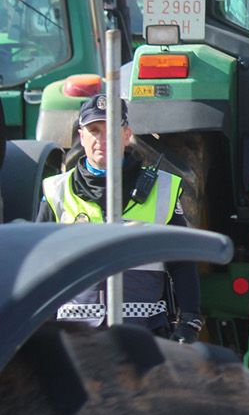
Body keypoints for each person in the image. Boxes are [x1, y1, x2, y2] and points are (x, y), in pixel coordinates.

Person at [37, 97, 202, 342]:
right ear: (81, 137)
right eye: (93, 130)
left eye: (111, 130)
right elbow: (39, 266)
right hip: (77, 340)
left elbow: (182, 261)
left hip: (143, 337)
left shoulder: (163, 189)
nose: (101, 139)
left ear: (126, 135)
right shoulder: (57, 192)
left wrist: (190, 320)